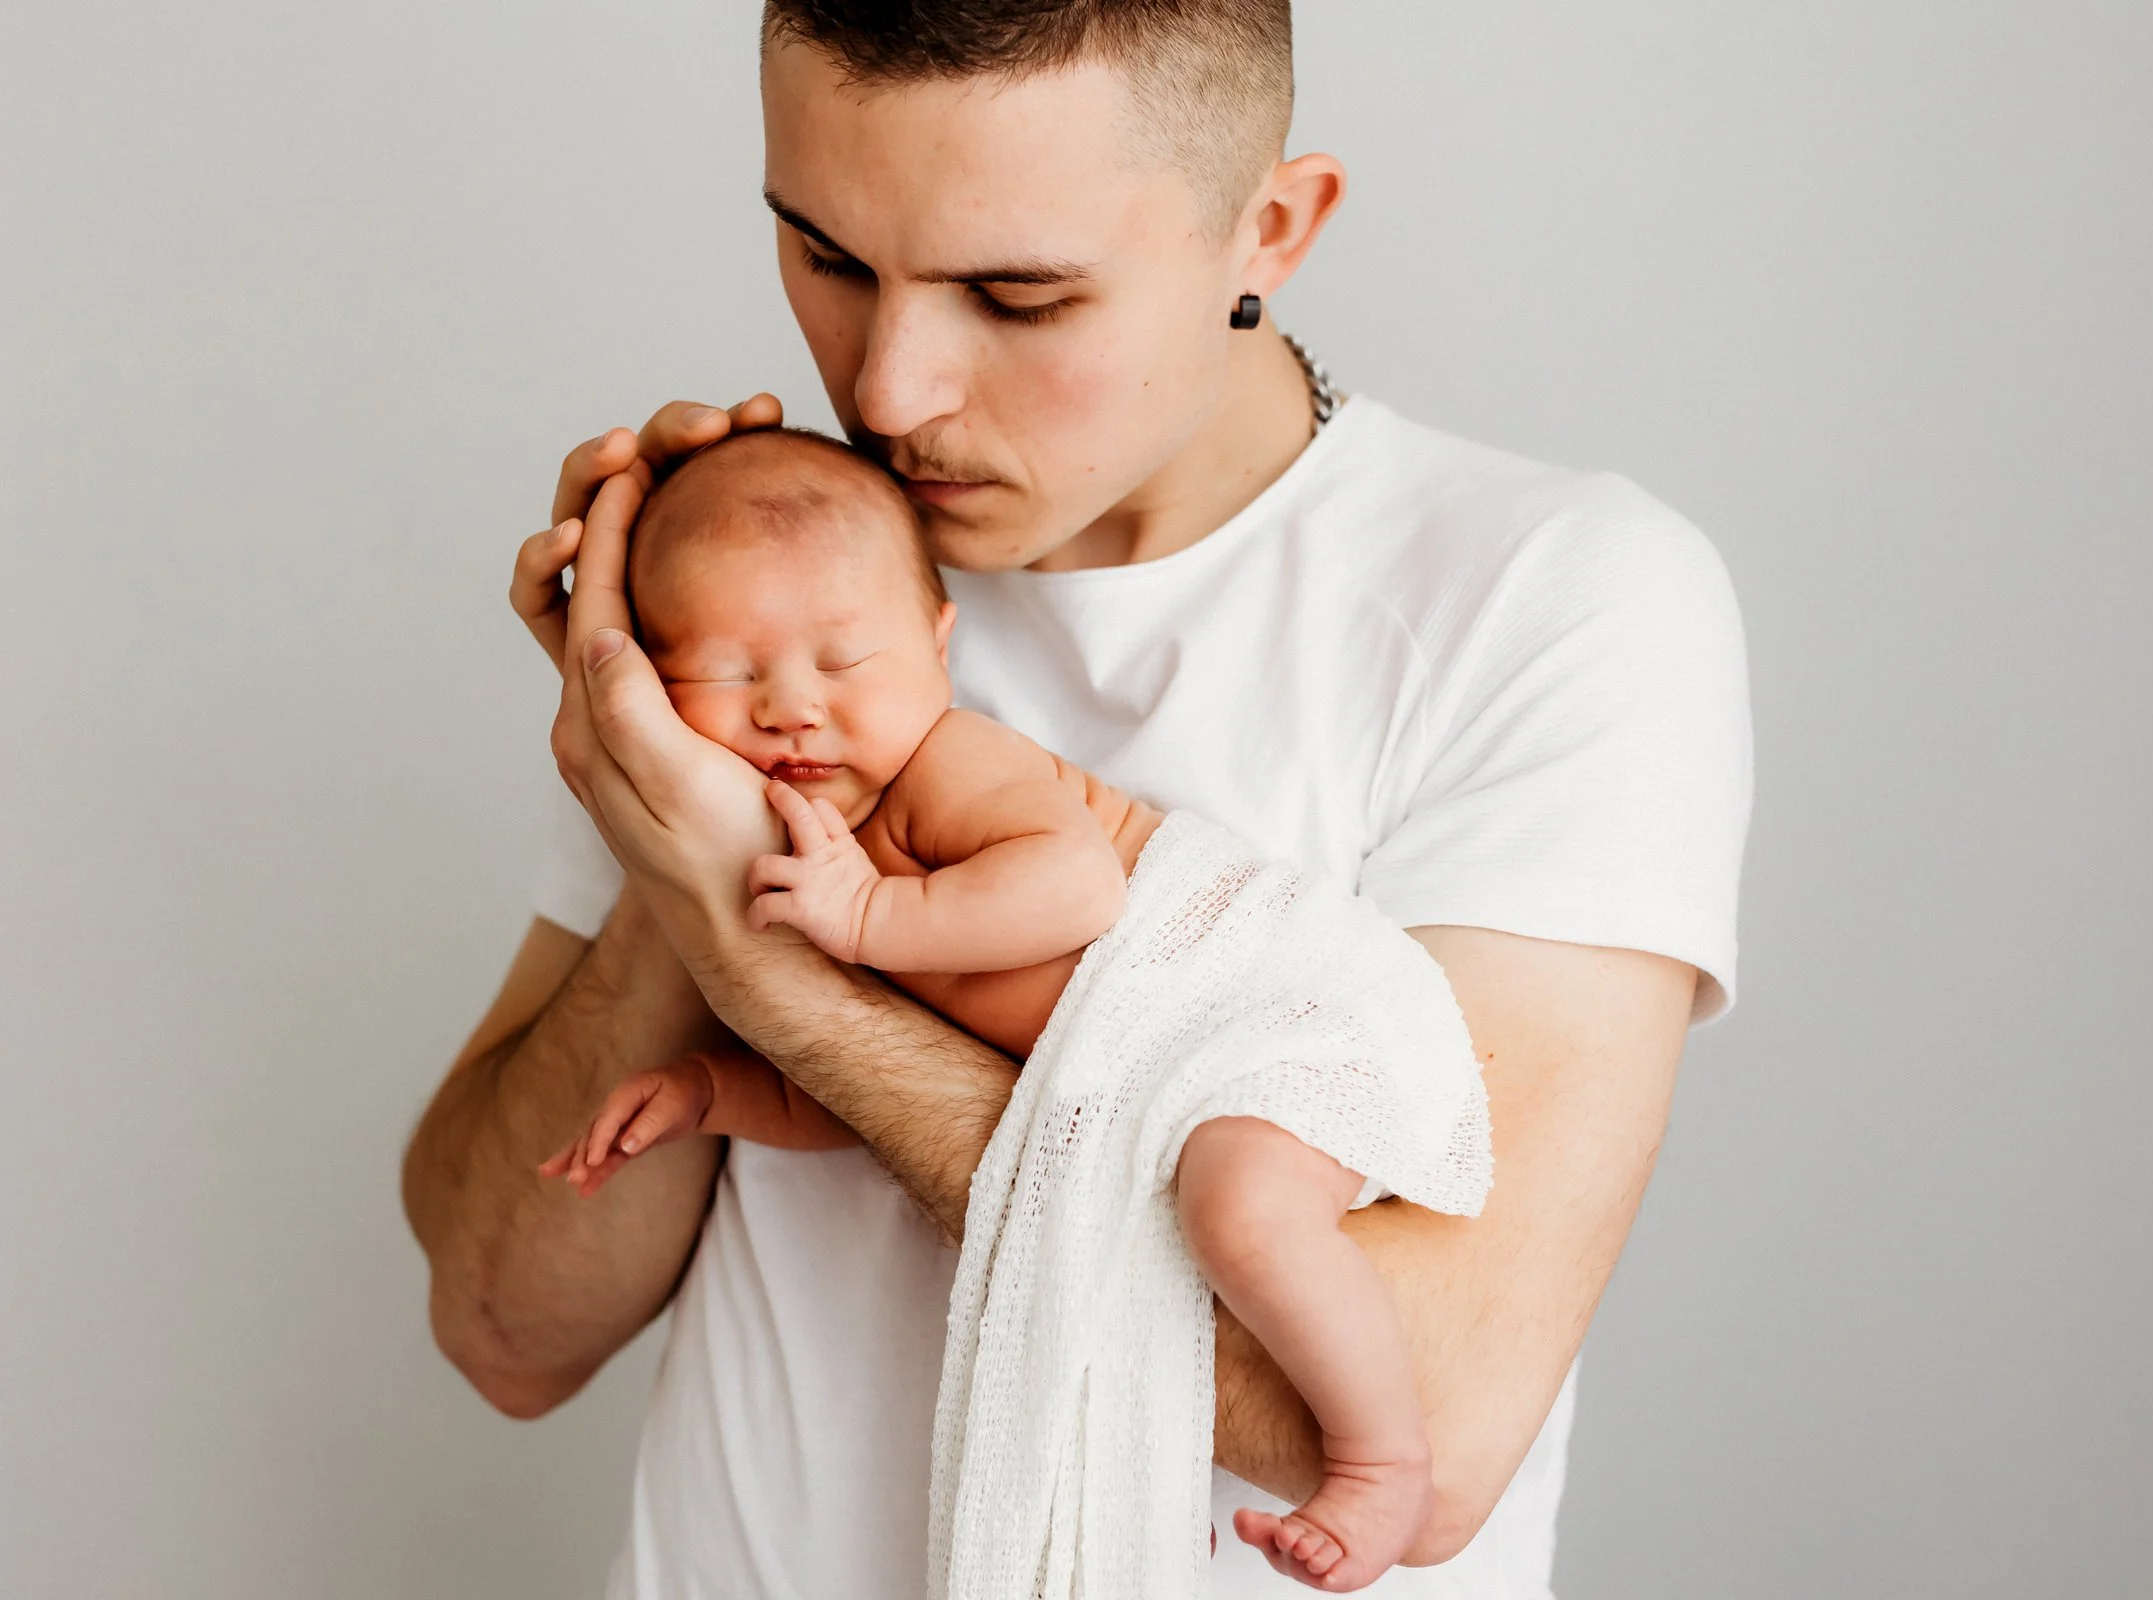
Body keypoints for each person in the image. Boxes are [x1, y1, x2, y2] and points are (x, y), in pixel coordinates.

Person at [400, 3, 1752, 1595]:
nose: (889, 392)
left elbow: (1423, 1439)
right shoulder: (777, 600)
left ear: (1273, 228)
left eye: (1015, 294)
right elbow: (504, 1329)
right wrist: (663, 781)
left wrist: (767, 958)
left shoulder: (1546, 600)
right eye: (828, 258)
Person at [540, 425, 1491, 1590]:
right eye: (728, 675)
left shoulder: (947, 767)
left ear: (940, 645)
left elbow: (1076, 887)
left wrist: (867, 922)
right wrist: (712, 1090)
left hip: (1275, 1002)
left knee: (1238, 1212)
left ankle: (1382, 1460)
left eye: (843, 661)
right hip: (1182, 1062)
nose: (793, 709)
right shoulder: (812, 863)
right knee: (1202, 1218)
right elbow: (858, 1086)